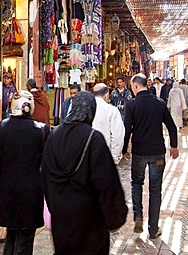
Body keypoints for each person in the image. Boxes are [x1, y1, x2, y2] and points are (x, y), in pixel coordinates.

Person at [41, 91, 128, 254]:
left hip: (62, 218)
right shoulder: (93, 138)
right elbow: (107, 183)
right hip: (90, 219)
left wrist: (55, 207)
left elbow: (46, 176)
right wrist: (114, 217)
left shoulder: (54, 136)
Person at [0, 90, 50, 255]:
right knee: (26, 240)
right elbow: (48, 166)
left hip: (5, 192)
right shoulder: (42, 130)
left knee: (11, 235)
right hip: (31, 193)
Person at [122, 73, 179, 239]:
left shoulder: (131, 105)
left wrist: (125, 149)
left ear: (135, 86)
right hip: (157, 152)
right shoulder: (159, 103)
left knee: (136, 183)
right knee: (155, 190)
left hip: (139, 152)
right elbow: (171, 126)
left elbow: (127, 130)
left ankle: (138, 214)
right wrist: (174, 146)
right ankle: (153, 228)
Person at [91, 83, 125, 164]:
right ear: (106, 95)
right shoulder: (112, 110)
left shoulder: (86, 108)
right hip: (105, 155)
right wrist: (114, 158)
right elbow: (117, 136)